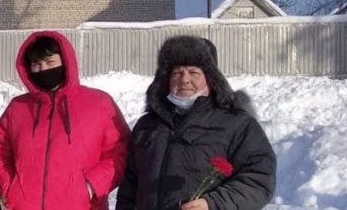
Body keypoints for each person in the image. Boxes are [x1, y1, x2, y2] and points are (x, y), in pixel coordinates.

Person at [116, 35, 276, 210]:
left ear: (210, 79)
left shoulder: (238, 125)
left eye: (193, 72)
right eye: (177, 73)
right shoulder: (147, 126)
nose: (184, 80)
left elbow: (259, 180)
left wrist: (213, 204)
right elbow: (129, 187)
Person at [0, 31, 130, 210]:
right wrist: (10, 189)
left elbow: (121, 152)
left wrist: (91, 186)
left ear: (65, 61)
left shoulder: (98, 103)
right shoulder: (17, 108)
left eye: (50, 62)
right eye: (36, 64)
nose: (43, 69)